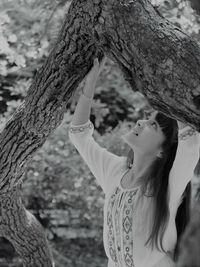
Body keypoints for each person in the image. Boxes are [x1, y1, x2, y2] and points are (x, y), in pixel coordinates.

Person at [68, 57, 200, 267]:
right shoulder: (115, 170)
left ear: (162, 151)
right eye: (146, 118)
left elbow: (190, 145)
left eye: (152, 125)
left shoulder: (169, 186)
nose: (140, 121)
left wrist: (170, 92)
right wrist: (90, 83)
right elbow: (79, 134)